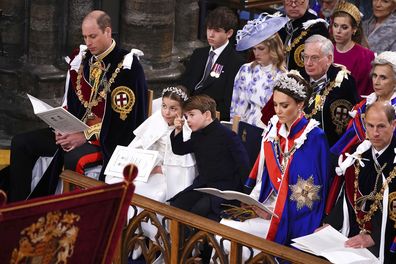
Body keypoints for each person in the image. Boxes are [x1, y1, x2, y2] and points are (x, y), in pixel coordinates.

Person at [7, 10, 148, 202]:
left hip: (105, 139)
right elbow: (72, 104)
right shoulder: (83, 60)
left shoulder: (127, 67)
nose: (88, 42)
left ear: (108, 31)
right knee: (21, 142)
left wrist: (85, 135)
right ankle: (18, 208)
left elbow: (124, 124)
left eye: (93, 36)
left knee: (73, 156)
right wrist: (60, 127)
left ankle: (71, 218)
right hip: (74, 130)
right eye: (85, 37)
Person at [216, 72, 330, 262]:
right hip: (267, 206)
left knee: (230, 235)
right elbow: (263, 175)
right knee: (223, 227)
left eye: (284, 105)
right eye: (275, 104)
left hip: (293, 217)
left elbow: (308, 195)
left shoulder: (313, 137)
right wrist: (254, 202)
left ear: (300, 104)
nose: (278, 110)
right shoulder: (273, 129)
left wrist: (275, 212)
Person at [323, 102, 396, 263]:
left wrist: (374, 237)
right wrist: (331, 225)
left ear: (393, 125)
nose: (375, 133)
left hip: (387, 240)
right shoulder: (357, 154)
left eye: (381, 126)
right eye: (370, 126)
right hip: (355, 233)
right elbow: (347, 196)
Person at [327, 51, 396, 212]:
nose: (376, 82)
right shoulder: (364, 105)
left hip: (384, 174)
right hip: (353, 169)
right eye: (374, 76)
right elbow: (347, 139)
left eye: (383, 77)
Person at [169, 95, 250, 221]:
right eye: (186, 116)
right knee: (177, 204)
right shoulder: (197, 134)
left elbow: (244, 166)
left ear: (207, 115)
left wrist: (245, 197)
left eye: (191, 115)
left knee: (199, 211)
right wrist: (178, 130)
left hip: (226, 189)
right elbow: (179, 149)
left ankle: (196, 240)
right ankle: (178, 239)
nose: (188, 120)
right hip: (204, 185)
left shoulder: (228, 136)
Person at [181, 6, 245, 121]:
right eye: (209, 29)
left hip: (210, 118)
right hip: (186, 111)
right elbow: (185, 83)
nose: (211, 34)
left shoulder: (236, 62)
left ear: (229, 33)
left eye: (217, 30)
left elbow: (227, 103)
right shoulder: (199, 53)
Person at [230, 13, 287, 129]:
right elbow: (237, 106)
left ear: (273, 48)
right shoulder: (246, 70)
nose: (256, 53)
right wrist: (234, 131)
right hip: (246, 126)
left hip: (270, 129)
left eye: (261, 48)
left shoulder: (283, 76)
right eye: (254, 49)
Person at [303, 34, 358, 147]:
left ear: (329, 58)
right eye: (305, 56)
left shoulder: (343, 83)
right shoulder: (299, 77)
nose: (308, 63)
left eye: (314, 58)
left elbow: (344, 130)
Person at [332, 1, 375, 97]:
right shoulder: (326, 50)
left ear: (354, 29)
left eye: (344, 27)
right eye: (335, 25)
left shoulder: (366, 56)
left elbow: (366, 91)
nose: (338, 31)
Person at [278, 0, 329, 77]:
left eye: (299, 1)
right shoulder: (275, 24)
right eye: (289, 0)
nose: (293, 5)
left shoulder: (317, 27)